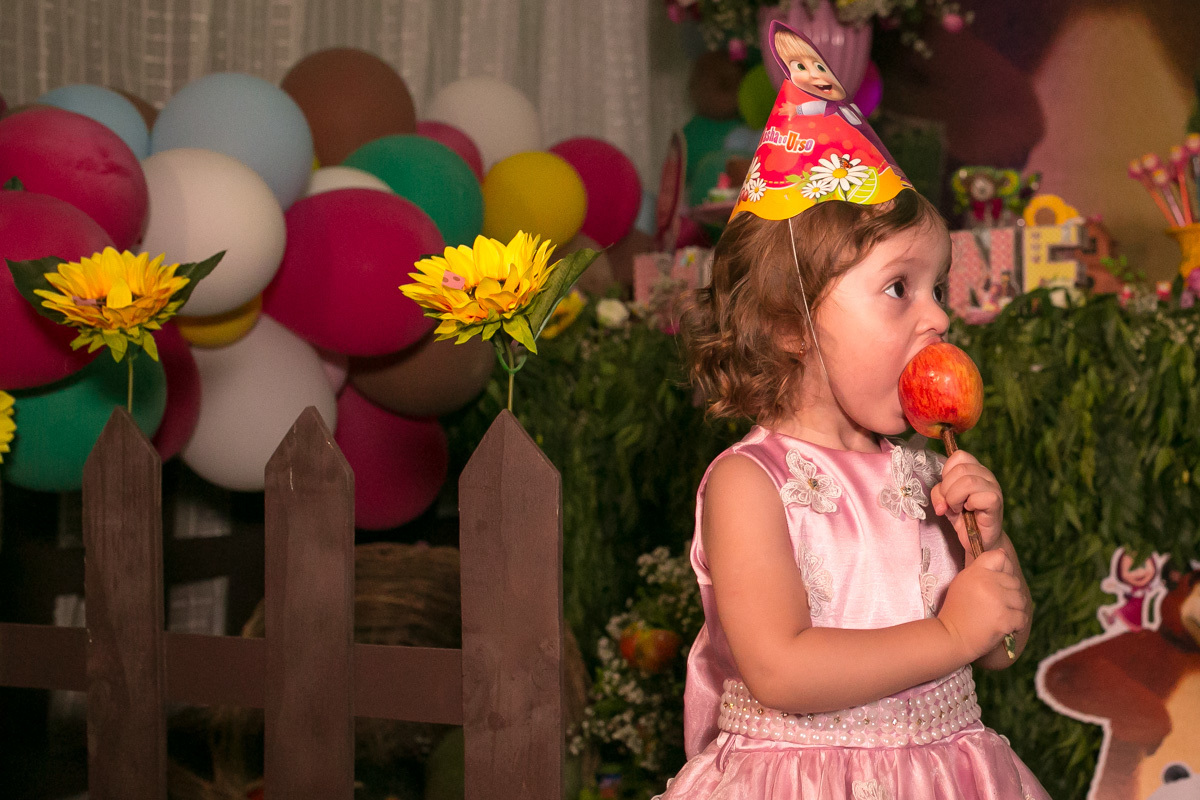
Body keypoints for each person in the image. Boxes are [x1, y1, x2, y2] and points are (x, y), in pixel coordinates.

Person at [652, 22, 1052, 800]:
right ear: (788, 324)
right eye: (901, 288)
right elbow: (779, 667)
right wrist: (948, 634)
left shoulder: (924, 470)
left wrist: (990, 555)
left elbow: (1002, 645)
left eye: (938, 289)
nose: (937, 318)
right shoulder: (751, 485)